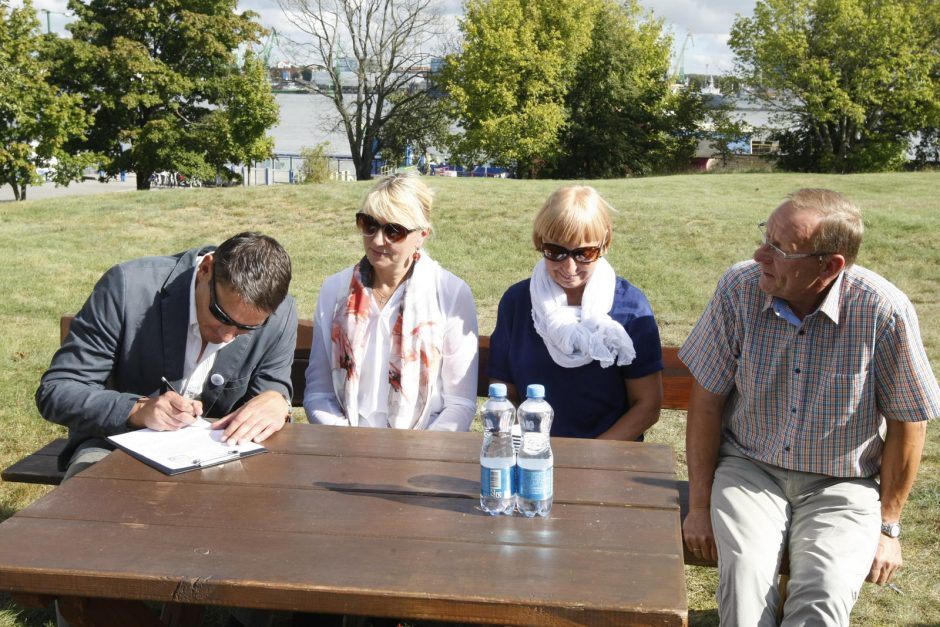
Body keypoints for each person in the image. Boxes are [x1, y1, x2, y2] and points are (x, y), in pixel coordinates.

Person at [680, 188, 940, 626]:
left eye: (780, 250)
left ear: (830, 265)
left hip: (843, 484)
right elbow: (706, 400)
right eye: (766, 237)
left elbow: (909, 423)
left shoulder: (882, 310)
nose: (760, 254)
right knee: (744, 587)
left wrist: (888, 526)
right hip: (750, 469)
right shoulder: (739, 288)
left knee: (825, 592)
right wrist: (700, 506)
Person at [36, 231, 298, 480]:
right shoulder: (128, 287)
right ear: (206, 269)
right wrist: (136, 409)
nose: (228, 336)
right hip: (114, 445)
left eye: (246, 328)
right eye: (220, 315)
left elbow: (271, 389)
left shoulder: (280, 313)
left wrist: (277, 401)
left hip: (224, 457)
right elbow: (58, 390)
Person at [304, 174, 478, 431]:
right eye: (369, 225)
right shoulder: (335, 290)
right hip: (346, 444)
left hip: (423, 446)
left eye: (393, 231)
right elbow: (319, 394)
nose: (376, 240)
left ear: (421, 235)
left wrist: (418, 452)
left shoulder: (450, 293)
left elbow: (460, 403)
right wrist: (347, 442)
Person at [488, 185, 663, 440]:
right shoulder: (516, 303)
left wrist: (590, 456)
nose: (569, 267)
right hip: (532, 451)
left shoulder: (631, 308)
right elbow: (504, 392)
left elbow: (647, 406)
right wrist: (534, 446)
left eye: (584, 253)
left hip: (607, 457)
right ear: (540, 242)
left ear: (604, 243)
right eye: (555, 252)